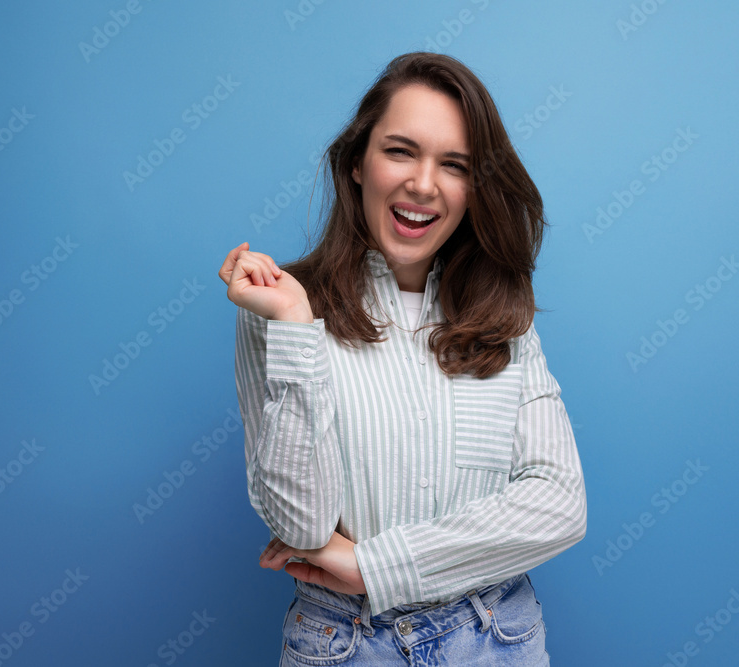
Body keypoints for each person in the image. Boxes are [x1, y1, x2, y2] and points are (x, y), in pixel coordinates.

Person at [217, 52, 587, 666]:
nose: (423, 183)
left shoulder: (506, 316)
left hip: (496, 639)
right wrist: (292, 325)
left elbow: (559, 506)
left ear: (474, 189)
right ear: (357, 163)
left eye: (454, 165)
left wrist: (372, 566)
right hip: (344, 644)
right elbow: (302, 526)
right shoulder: (280, 308)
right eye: (400, 151)